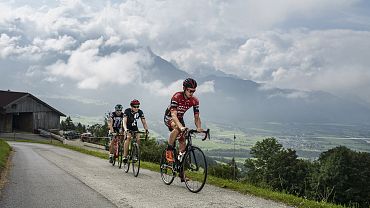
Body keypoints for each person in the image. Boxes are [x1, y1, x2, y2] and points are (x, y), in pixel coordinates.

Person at [164, 78, 204, 182]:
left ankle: (181, 172)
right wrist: (181, 127)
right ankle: (169, 150)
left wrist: (199, 127)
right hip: (170, 117)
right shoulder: (177, 96)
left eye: (193, 91)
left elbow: (196, 117)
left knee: (183, 142)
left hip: (180, 118)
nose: (192, 93)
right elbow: (173, 114)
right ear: (184, 89)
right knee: (178, 129)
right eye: (190, 90)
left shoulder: (195, 100)